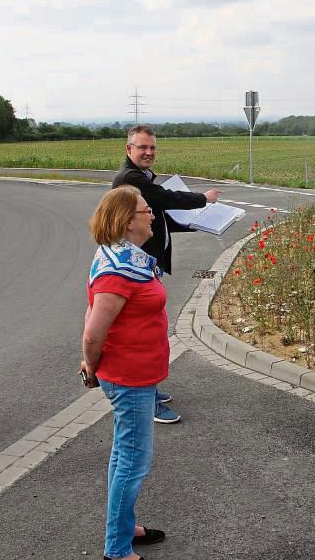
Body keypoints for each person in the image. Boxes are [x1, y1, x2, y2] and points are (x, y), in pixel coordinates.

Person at [81, 185, 169, 560]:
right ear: (127, 220)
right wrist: (92, 366)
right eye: (146, 210)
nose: (152, 216)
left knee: (124, 454)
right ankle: (117, 550)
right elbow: (94, 328)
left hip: (137, 371)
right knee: (133, 461)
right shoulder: (118, 270)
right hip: (129, 376)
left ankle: (122, 526)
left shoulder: (127, 256)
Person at [112, 124, 220, 423]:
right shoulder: (131, 179)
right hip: (137, 266)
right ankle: (144, 400)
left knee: (149, 331)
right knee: (142, 334)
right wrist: (204, 200)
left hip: (146, 263)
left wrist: (194, 223)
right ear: (129, 149)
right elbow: (166, 199)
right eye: (142, 147)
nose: (148, 152)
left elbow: (157, 215)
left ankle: (147, 390)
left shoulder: (140, 177)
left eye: (152, 148)